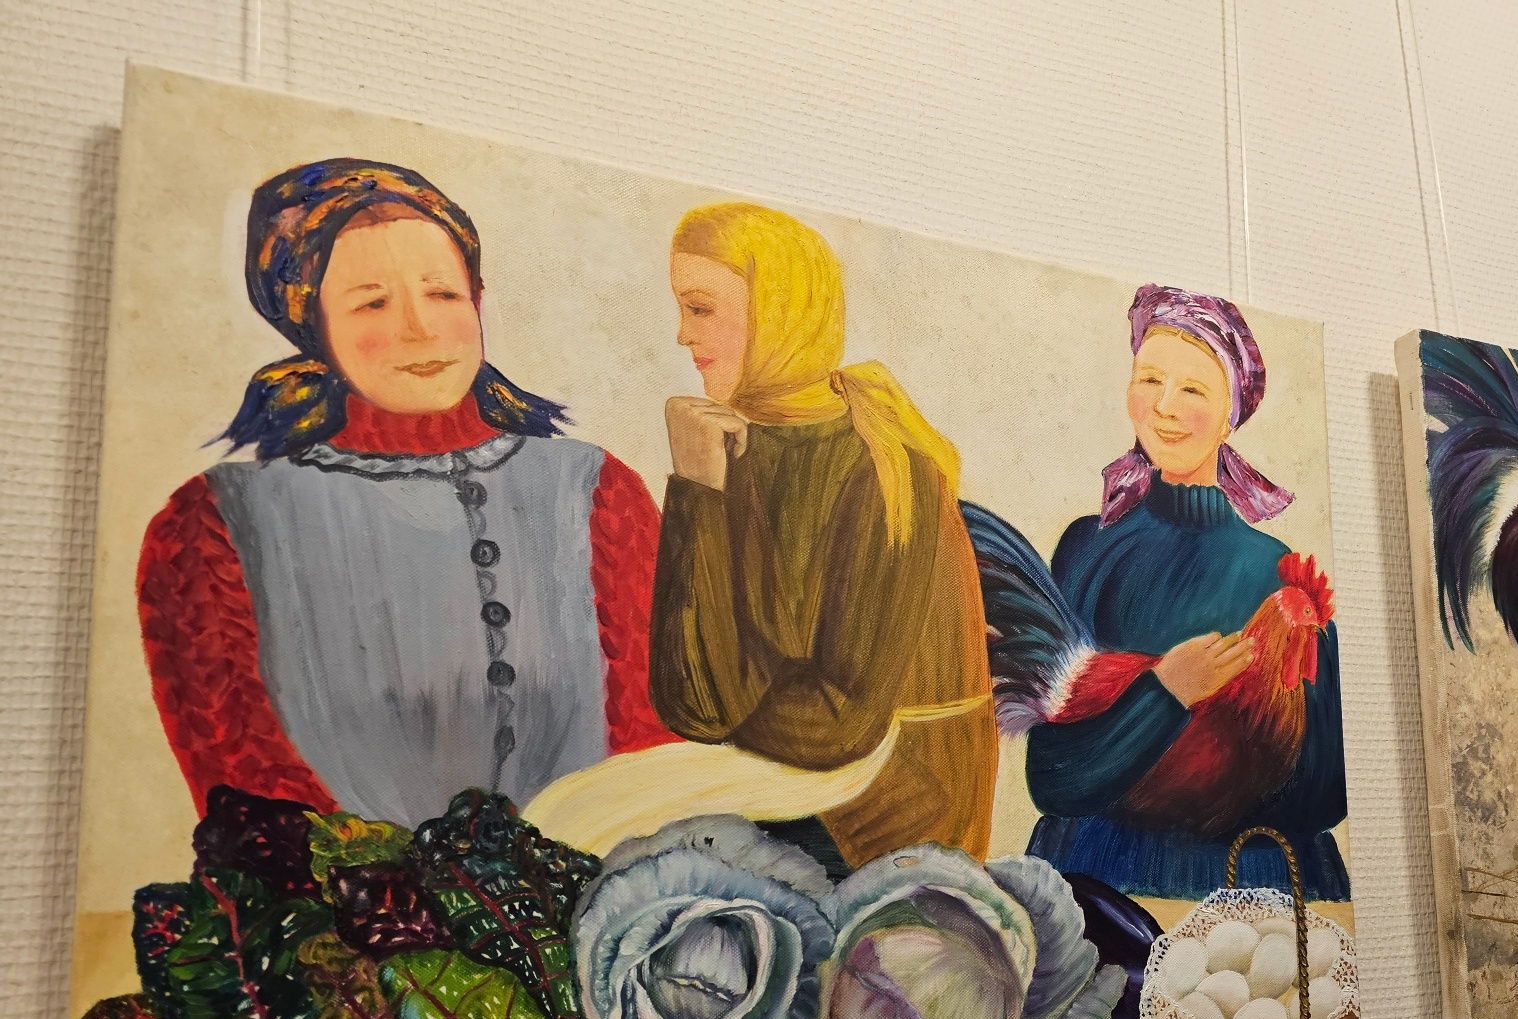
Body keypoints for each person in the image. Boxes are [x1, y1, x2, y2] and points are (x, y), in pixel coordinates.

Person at [137, 158, 672, 829]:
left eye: (442, 294)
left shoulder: (598, 491)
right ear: (313, 325)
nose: (419, 329)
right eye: (372, 303)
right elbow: (252, 801)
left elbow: (654, 756)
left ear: (476, 301)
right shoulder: (214, 524)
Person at [648, 202, 996, 870]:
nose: (683, 335)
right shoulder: (730, 443)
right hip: (787, 789)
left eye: (700, 309)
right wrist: (696, 489)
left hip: (884, 822)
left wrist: (722, 706)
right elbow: (685, 698)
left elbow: (835, 724)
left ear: (780, 311)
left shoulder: (887, 466)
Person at [1024, 285, 1349, 900]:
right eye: (1149, 380)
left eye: (1194, 390)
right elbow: (1054, 777)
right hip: (1098, 877)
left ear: (1232, 413)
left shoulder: (1275, 570)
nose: (1164, 407)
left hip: (1246, 882)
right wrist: (1165, 695)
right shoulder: (1088, 548)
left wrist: (1216, 764)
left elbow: (1327, 791)